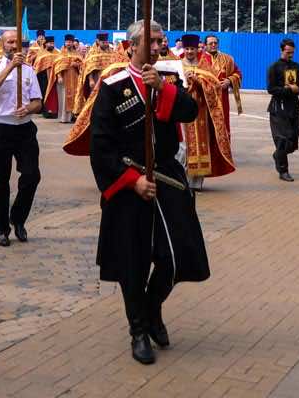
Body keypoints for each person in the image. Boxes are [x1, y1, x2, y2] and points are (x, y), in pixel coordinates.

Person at [90, 19, 207, 365]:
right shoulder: (113, 87)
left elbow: (190, 111)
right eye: (150, 42)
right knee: (133, 262)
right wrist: (132, 180)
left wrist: (163, 88)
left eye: (160, 41)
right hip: (130, 182)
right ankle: (138, 330)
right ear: (131, 47)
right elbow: (101, 147)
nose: (157, 48)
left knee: (175, 256)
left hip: (167, 178)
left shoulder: (168, 78)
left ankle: (152, 307)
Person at [0, 29, 43, 247]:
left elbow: (38, 102)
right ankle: (1, 229)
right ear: (2, 44)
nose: (13, 46)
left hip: (24, 129)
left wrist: (28, 108)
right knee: (0, 180)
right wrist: (10, 67)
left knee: (32, 175)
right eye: (9, 42)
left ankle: (17, 218)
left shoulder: (29, 70)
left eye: (16, 42)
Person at [179, 34, 235, 190]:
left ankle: (196, 184)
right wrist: (185, 81)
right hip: (181, 112)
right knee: (183, 148)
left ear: (197, 49)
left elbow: (214, 86)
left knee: (201, 147)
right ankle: (181, 180)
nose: (190, 51)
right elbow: (171, 86)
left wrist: (198, 81)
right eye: (187, 49)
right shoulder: (178, 65)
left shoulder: (204, 65)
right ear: (184, 49)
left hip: (200, 113)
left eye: (192, 48)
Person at [266, 38, 299, 182]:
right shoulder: (274, 67)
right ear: (281, 50)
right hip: (279, 108)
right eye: (288, 52)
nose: (290, 55)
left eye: (292, 52)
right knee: (283, 139)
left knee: (293, 141)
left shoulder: (296, 66)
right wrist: (288, 89)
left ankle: (278, 155)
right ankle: (283, 170)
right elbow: (271, 89)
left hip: (294, 107)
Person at [202, 34, 242, 119]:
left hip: (222, 99)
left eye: (215, 43)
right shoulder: (199, 59)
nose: (213, 45)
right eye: (211, 43)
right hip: (204, 99)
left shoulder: (227, 59)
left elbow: (237, 73)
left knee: (223, 122)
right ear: (205, 45)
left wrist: (229, 80)